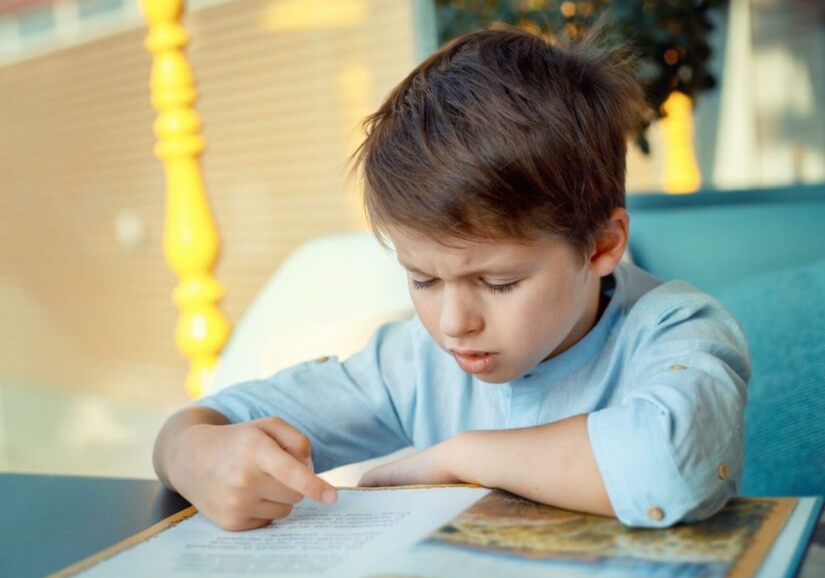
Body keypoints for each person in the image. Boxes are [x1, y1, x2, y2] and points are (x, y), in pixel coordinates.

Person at [152, 27, 750, 532]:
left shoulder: (678, 331)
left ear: (601, 246)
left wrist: (458, 457)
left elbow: (672, 464)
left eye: (499, 283)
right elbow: (209, 419)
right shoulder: (414, 365)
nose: (453, 323)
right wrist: (194, 453)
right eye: (423, 280)